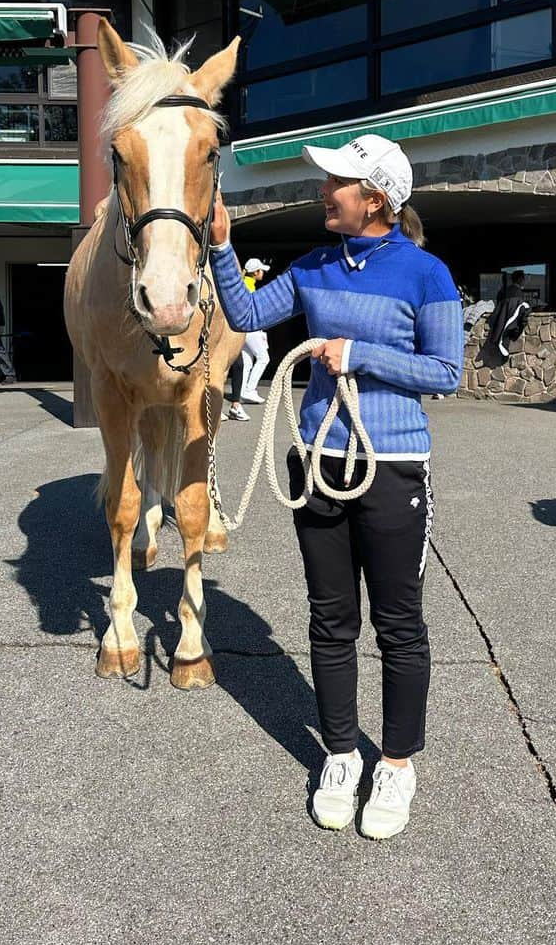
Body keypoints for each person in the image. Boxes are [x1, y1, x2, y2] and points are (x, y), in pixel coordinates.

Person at [209, 133, 463, 839]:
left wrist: (361, 355)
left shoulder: (425, 275)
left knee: (399, 623)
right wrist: (224, 248)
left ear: (375, 198)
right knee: (330, 618)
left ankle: (398, 763)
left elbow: (445, 372)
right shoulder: (318, 264)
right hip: (319, 459)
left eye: (337, 183)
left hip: (392, 465)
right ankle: (343, 752)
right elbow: (249, 315)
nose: (323, 191)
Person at [239, 258, 272, 404]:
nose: (263, 273)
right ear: (255, 272)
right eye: (261, 271)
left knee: (247, 361)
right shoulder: (249, 286)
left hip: (243, 330)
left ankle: (241, 392)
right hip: (251, 329)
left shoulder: (245, 283)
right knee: (264, 358)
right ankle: (249, 390)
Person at [488, 270, 530, 358]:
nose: (524, 281)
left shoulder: (503, 291)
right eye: (523, 279)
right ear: (520, 279)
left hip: (500, 323)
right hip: (511, 325)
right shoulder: (518, 292)